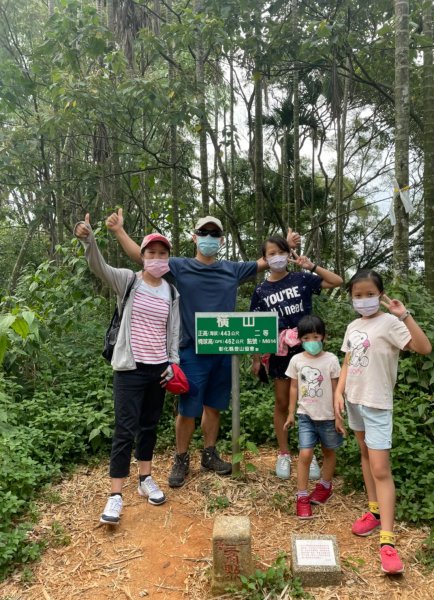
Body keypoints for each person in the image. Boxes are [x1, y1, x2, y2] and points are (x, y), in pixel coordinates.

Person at [105, 209, 300, 488]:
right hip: (191, 351)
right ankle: (181, 458)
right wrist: (119, 231)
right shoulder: (180, 266)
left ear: (221, 241)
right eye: (204, 233)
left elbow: (265, 261)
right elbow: (143, 257)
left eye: (215, 234)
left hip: (224, 351)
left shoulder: (232, 269)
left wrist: (285, 248)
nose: (209, 238)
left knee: (215, 406)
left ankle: (209, 454)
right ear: (195, 238)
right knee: (187, 410)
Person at [74, 215, 181, 525]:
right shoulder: (129, 280)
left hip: (159, 369)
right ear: (142, 256)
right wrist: (88, 239)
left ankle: (145, 478)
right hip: (129, 368)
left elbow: (173, 332)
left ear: (168, 258)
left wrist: (173, 365)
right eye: (152, 253)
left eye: (163, 254)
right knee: (125, 430)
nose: (157, 258)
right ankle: (115, 495)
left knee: (148, 426)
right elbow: (100, 268)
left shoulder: (171, 293)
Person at [334, 269, 432, 574]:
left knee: (381, 468)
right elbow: (348, 360)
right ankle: (374, 512)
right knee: (364, 456)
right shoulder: (352, 326)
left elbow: (423, 349)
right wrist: (338, 391)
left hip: (377, 404)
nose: (363, 300)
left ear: (380, 294)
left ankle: (387, 541)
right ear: (351, 298)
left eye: (369, 294)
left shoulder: (390, 323)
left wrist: (405, 316)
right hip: (355, 401)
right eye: (357, 295)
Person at [250, 235, 343, 480]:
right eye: (271, 254)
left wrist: (310, 265)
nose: (276, 257)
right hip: (280, 352)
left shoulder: (301, 279)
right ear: (265, 258)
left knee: (311, 399)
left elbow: (337, 281)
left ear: (287, 253)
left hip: (308, 347)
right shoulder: (261, 290)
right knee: (282, 402)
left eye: (280, 251)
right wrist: (256, 358)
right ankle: (283, 453)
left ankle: (307, 453)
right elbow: (255, 327)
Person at [284, 315, 345, 519]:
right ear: (300, 340)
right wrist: (291, 413)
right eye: (307, 338)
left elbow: (337, 389)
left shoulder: (332, 360)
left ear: (324, 337)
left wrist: (338, 417)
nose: (312, 342)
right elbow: (293, 387)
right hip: (305, 415)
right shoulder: (296, 360)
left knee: (329, 451)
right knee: (305, 454)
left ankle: (325, 486)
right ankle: (301, 496)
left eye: (316, 336)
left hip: (328, 416)